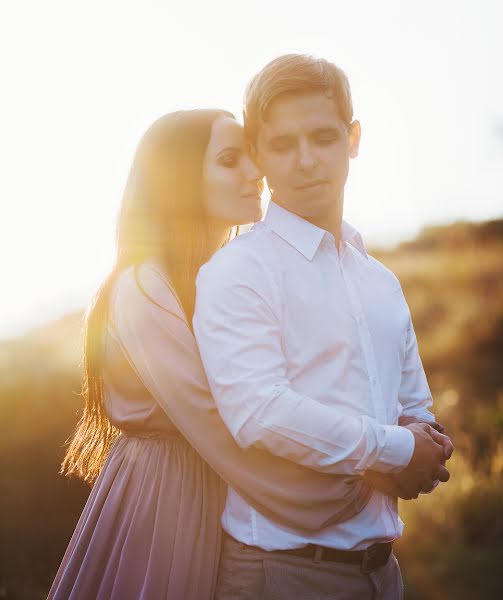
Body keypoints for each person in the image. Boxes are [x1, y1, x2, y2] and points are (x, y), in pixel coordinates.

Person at [47, 109, 374, 600]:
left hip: (219, 489)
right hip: (165, 497)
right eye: (229, 160)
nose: (254, 172)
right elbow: (212, 417)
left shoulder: (220, 278)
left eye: (249, 156)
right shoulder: (144, 287)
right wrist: (336, 487)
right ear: (179, 179)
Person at [193, 55, 454, 600]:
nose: (307, 160)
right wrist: (394, 452)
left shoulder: (380, 281)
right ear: (258, 154)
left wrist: (412, 445)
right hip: (282, 573)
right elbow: (259, 411)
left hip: (383, 575)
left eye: (324, 137)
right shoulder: (238, 270)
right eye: (283, 145)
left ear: (353, 138)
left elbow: (416, 411)